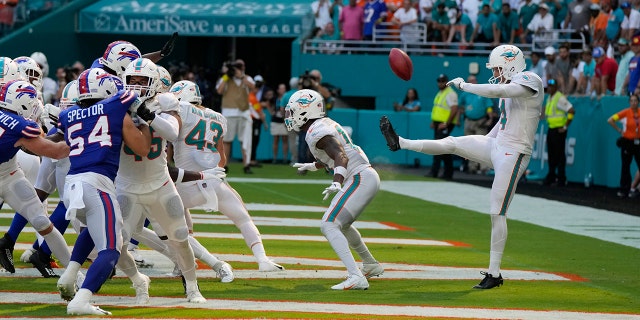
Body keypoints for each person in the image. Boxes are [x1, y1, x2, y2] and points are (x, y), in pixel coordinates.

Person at [380, 44, 544, 289]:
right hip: (498, 145)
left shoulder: (531, 79)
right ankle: (401, 142)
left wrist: (466, 86)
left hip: (515, 153)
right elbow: (503, 121)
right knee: (453, 143)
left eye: (498, 67)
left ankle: (494, 273)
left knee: (497, 212)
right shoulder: (510, 89)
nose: (496, 72)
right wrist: (480, 145)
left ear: (511, 63)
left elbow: (502, 89)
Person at [116, 58, 207, 303]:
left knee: (180, 237)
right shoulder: (115, 103)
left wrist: (148, 115)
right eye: (131, 80)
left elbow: (172, 132)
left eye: (141, 81)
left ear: (154, 83)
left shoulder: (164, 102)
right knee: (116, 244)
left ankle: (192, 286)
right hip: (125, 186)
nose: (135, 85)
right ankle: (138, 281)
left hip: (160, 184)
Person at [171, 80, 284, 272]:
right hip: (214, 181)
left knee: (171, 220)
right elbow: (222, 158)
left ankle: (181, 264)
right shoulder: (218, 118)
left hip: (187, 181)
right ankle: (263, 259)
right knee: (243, 218)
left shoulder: (180, 111)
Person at [286, 89, 383, 290]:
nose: (290, 115)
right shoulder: (323, 125)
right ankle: (370, 264)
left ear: (305, 110)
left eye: (293, 111)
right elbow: (336, 154)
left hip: (358, 177)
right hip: (364, 175)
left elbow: (341, 156)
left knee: (329, 224)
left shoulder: (316, 131)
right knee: (342, 225)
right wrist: (314, 165)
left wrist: (337, 181)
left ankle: (355, 275)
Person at [0, 80, 72, 276]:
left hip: (9, 173)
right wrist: (79, 137)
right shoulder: (20, 126)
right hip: (9, 175)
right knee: (42, 222)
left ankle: (74, 274)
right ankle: (74, 273)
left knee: (41, 220)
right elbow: (56, 152)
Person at [216, 59, 254, 174]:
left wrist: (241, 76)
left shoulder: (247, 78)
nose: (238, 68)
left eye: (240, 66)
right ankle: (224, 164)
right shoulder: (226, 79)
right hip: (229, 112)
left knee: (245, 141)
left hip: (244, 113)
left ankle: (246, 165)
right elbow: (219, 90)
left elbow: (252, 87)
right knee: (226, 141)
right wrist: (227, 76)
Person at [459, 74, 495, 174]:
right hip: (468, 120)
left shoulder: (482, 92)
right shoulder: (465, 94)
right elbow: (460, 106)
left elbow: (489, 107)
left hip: (480, 121)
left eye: (474, 80)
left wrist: (490, 118)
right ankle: (472, 166)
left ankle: (484, 167)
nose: (472, 82)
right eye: (470, 80)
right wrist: (458, 118)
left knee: (482, 144)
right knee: (469, 145)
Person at [607, 94, 640, 198]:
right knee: (625, 166)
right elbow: (610, 120)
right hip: (627, 141)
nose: (634, 103)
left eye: (636, 101)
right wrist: (619, 130)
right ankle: (623, 189)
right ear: (629, 102)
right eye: (632, 101)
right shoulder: (625, 112)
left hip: (638, 142)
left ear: (638, 102)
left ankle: (633, 188)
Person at [543, 79, 575, 186]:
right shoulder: (550, 98)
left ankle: (561, 178)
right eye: (549, 86)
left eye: (552, 86)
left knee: (560, 155)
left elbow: (571, 110)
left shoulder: (559, 98)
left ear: (556, 87)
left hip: (559, 130)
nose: (550, 88)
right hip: (551, 129)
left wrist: (565, 126)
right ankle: (551, 175)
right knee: (551, 154)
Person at [430, 73, 459, 180]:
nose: (440, 83)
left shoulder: (450, 93)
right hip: (439, 123)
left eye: (442, 81)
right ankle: (447, 173)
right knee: (443, 149)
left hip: (445, 124)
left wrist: (446, 123)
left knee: (438, 148)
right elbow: (437, 108)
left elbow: (454, 109)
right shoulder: (441, 93)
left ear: (447, 82)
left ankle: (435, 172)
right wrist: (434, 121)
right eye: (439, 81)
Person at [270, 83, 289, 164]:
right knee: (275, 140)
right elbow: (267, 103)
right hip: (275, 121)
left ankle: (284, 159)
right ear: (278, 90)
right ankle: (274, 158)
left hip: (284, 122)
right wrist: (272, 111)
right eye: (281, 88)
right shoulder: (274, 98)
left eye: (284, 88)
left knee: (285, 139)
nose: (283, 90)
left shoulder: (287, 98)